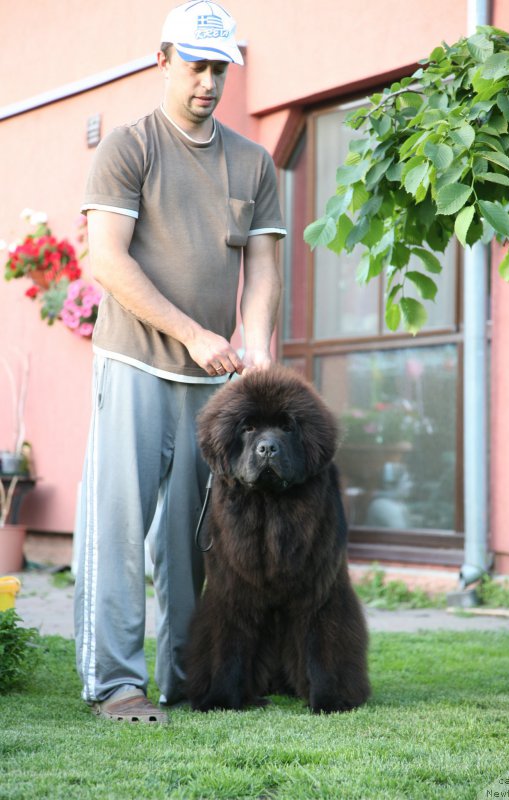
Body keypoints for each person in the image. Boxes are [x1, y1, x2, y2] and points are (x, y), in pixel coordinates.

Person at [74, 0, 286, 724]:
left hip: (215, 387)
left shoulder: (254, 161)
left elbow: (261, 270)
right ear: (161, 61)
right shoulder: (129, 147)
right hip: (134, 363)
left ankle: (186, 677)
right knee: (120, 531)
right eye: (195, 65)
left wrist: (253, 346)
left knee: (198, 541)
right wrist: (196, 333)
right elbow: (107, 261)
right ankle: (115, 685)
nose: (207, 82)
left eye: (218, 68)